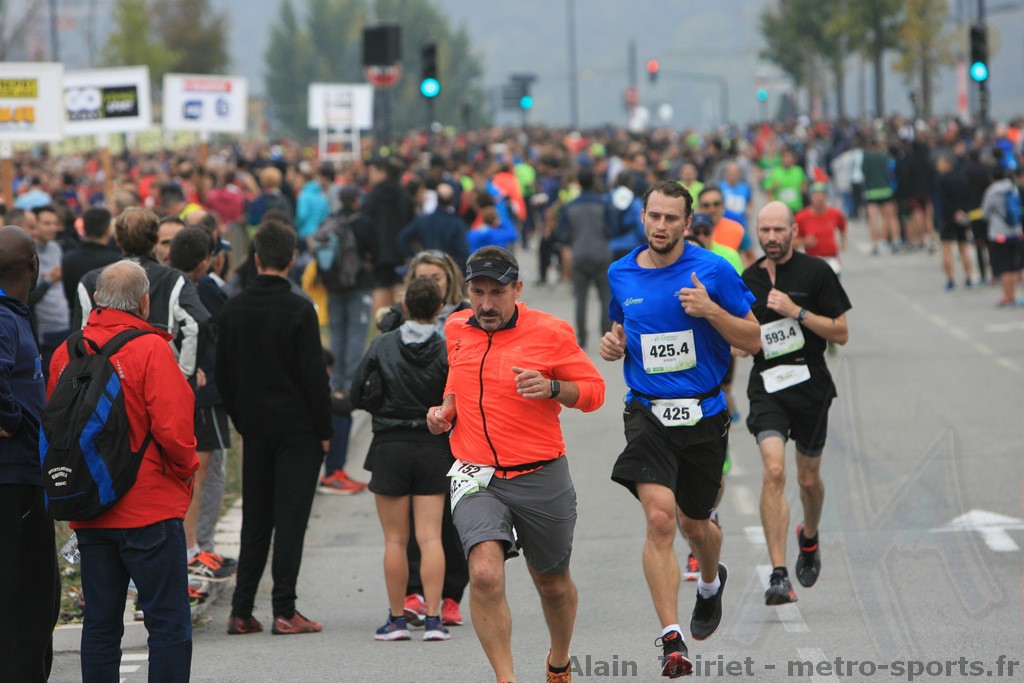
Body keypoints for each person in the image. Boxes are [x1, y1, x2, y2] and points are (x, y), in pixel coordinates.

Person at [599, 180, 760, 679]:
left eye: (672, 218)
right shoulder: (620, 272)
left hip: (704, 413)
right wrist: (613, 344)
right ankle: (672, 638)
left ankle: (710, 581)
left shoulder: (713, 270)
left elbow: (754, 339)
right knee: (660, 519)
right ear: (642, 217)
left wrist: (711, 310)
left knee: (695, 524)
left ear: (688, 224)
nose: (661, 225)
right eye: (655, 216)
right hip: (647, 411)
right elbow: (622, 328)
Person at [426, 246, 606, 683]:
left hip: (540, 473)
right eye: (478, 292)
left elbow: (594, 391)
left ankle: (559, 660)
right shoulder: (455, 327)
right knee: (485, 574)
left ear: (518, 289)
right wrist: (446, 408)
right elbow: (457, 376)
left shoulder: (551, 332)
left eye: (497, 293)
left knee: (553, 584)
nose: (486, 304)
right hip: (477, 476)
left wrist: (552, 388)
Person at [49, 259, 199, 683]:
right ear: (145, 303)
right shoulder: (151, 349)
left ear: (97, 299)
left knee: (100, 624)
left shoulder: (66, 353)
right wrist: (185, 472)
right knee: (167, 623)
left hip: (90, 509)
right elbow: (174, 431)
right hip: (149, 508)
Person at [217, 219, 332, 636]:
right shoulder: (300, 308)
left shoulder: (233, 307)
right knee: (290, 520)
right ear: (293, 258)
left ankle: (241, 610)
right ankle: (285, 609)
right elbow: (314, 377)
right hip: (298, 430)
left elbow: (223, 374)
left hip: (255, 429)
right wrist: (325, 430)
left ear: (256, 257)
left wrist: (241, 420)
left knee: (256, 520)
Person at [743, 201, 851, 607]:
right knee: (774, 471)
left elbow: (841, 332)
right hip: (767, 387)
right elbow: (741, 332)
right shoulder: (748, 280)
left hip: (811, 388)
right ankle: (778, 574)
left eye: (779, 230)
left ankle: (809, 536)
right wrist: (739, 343)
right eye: (765, 230)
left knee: (807, 480)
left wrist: (797, 311)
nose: (771, 237)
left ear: (794, 231)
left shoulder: (816, 272)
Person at [352, 277, 453, 642]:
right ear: (439, 308)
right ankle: (434, 619)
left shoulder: (382, 344)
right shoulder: (446, 347)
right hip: (432, 445)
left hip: (390, 445)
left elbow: (357, 391)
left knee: (395, 540)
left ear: (405, 306)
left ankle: (396, 621)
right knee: (431, 537)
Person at [375, 250, 470, 629]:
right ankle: (415, 592)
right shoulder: (397, 322)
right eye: (422, 278)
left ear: (450, 281)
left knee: (452, 521)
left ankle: (450, 596)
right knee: (412, 526)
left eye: (436, 277)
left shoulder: (465, 318)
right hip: (417, 435)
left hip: (457, 432)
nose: (429, 283)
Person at [0, 225, 60, 683]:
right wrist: (12, 418)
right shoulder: (3, 318)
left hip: (23, 478)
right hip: (13, 482)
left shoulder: (14, 314)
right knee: (28, 600)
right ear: (34, 267)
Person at [169, 227, 237, 587]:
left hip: (200, 388)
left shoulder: (185, 286)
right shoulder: (197, 289)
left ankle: (198, 545)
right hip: (201, 391)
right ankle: (194, 547)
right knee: (201, 469)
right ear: (206, 261)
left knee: (208, 469)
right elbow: (208, 331)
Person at [72, 207, 210, 380]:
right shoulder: (174, 279)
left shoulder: (91, 280)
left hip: (108, 379)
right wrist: (184, 372)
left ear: (117, 240)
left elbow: (81, 337)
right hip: (160, 375)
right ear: (156, 240)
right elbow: (197, 323)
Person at [318, 186, 376, 495]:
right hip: (358, 283)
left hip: (332, 285)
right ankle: (349, 383)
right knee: (355, 333)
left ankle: (335, 380)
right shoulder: (362, 222)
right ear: (356, 199)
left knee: (336, 332)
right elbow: (375, 250)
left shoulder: (329, 222)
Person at [557, 166, 614, 348]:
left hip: (579, 255)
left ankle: (582, 337)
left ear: (579, 183)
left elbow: (564, 234)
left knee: (581, 298)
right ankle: (606, 334)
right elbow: (611, 229)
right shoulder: (603, 204)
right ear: (594, 182)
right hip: (601, 254)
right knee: (605, 297)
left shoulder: (570, 206)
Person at [30, 205, 71, 377]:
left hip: (63, 323)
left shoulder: (56, 248)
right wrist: (48, 281)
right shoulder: (29, 251)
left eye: (55, 223)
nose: (52, 228)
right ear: (35, 225)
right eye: (47, 223)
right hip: (43, 330)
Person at [398, 183, 471, 268]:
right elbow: (463, 252)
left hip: (427, 265)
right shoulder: (457, 223)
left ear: (437, 199)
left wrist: (416, 257)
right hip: (447, 267)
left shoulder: (423, 220)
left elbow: (402, 238)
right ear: (453, 200)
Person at [981, 166, 1024, 307]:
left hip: (999, 233)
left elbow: (985, 212)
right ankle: (1016, 295)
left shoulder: (992, 191)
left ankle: (1008, 296)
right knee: (1017, 266)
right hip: (1016, 232)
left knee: (1005, 267)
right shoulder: (1014, 188)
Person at [62, 206, 119, 309]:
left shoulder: (68, 259)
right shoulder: (116, 261)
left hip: (76, 314)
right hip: (107, 315)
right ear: (107, 230)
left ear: (84, 228)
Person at [934, 155, 975, 291]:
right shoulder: (964, 178)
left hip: (947, 217)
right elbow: (969, 197)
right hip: (962, 216)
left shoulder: (941, 179)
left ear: (948, 164)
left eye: (940, 162)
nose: (938, 165)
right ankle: (968, 277)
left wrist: (953, 212)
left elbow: (943, 200)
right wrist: (962, 212)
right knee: (964, 247)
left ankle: (950, 280)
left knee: (946, 249)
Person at [794, 183, 847, 275]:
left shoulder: (835, 213)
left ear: (826, 197)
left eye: (822, 195)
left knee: (833, 278)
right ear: (810, 198)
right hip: (811, 259)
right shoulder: (801, 217)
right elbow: (791, 242)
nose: (819, 198)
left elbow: (842, 225)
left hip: (831, 257)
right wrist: (804, 241)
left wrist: (843, 239)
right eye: (815, 195)